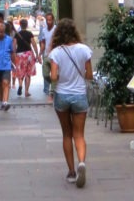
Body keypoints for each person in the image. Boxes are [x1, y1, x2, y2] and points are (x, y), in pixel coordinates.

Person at [49, 17, 93, 188]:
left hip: (62, 95)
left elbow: (53, 77)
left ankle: (71, 172)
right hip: (79, 94)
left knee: (66, 134)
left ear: (58, 33)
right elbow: (89, 75)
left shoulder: (56, 53)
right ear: (74, 32)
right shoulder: (84, 50)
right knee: (79, 134)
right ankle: (81, 161)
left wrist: (61, 76)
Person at [13, 17, 38, 97]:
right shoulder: (29, 33)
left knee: (20, 72)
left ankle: (20, 84)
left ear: (20, 25)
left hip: (19, 54)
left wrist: (14, 54)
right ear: (27, 25)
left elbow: (14, 46)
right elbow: (34, 44)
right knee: (28, 73)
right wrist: (37, 53)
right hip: (28, 54)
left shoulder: (17, 34)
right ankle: (26, 91)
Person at [38, 11, 56, 102]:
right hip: (46, 55)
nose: (48, 22)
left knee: (53, 75)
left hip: (55, 56)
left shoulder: (56, 29)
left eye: (50, 20)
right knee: (45, 74)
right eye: (47, 20)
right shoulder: (44, 30)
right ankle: (55, 84)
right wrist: (39, 54)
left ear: (53, 20)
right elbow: (43, 43)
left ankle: (52, 93)